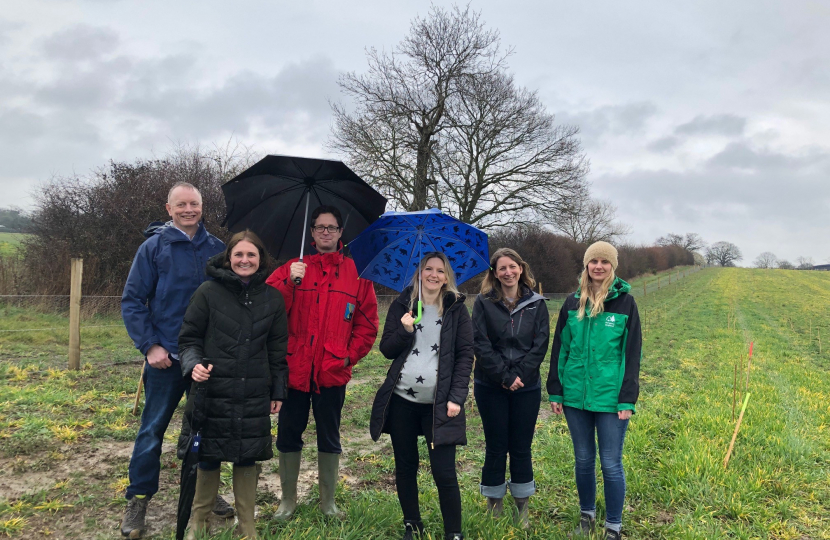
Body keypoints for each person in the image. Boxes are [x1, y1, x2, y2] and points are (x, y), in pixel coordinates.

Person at [120, 182, 227, 539]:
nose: (188, 209)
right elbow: (133, 301)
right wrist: (150, 346)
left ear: (202, 206)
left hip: (206, 361)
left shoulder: (218, 250)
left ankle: (206, 493)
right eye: (181, 204)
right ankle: (138, 499)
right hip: (166, 358)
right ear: (169, 208)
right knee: (152, 431)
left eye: (193, 204)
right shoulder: (153, 248)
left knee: (208, 430)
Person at [265, 205, 379, 520]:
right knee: (288, 433)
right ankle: (287, 502)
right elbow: (269, 312)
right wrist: (289, 282)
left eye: (331, 227)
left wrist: (347, 356)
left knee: (330, 435)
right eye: (319, 227)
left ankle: (328, 503)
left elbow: (367, 326)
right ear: (312, 233)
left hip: (332, 372)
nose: (325, 232)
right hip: (295, 371)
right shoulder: (293, 267)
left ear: (341, 233)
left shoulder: (358, 274)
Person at [177, 230, 288, 540]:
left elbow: (278, 351)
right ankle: (199, 522)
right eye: (238, 254)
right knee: (208, 455)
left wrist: (278, 390)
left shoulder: (273, 299)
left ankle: (247, 526)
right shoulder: (207, 293)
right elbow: (188, 339)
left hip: (253, 391)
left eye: (251, 255)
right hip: (212, 390)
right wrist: (193, 364)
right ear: (228, 258)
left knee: (246, 456)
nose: (244, 260)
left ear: (260, 260)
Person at [369, 252, 474, 540]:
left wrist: (456, 397)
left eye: (440, 271)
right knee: (405, 466)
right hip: (402, 400)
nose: (434, 274)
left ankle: (454, 532)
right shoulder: (403, 305)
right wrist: (404, 330)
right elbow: (387, 350)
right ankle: (411, 525)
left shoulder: (456, 309)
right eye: (429, 268)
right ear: (419, 272)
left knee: (444, 472)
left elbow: (466, 356)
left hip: (439, 405)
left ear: (446, 277)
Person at [547, 241, 642, 540]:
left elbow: (632, 354)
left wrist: (628, 398)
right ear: (586, 265)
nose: (598, 266)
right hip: (575, 396)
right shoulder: (571, 302)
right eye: (593, 261)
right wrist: (556, 390)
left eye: (605, 261)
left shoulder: (626, 304)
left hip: (611, 400)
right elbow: (559, 349)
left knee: (611, 463)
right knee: (584, 459)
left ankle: (613, 524)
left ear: (613, 266)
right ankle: (587, 514)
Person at [471, 248, 549, 528]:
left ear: (521, 268)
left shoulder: (537, 303)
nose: (508, 272)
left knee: (520, 447)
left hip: (526, 387)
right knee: (495, 446)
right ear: (494, 273)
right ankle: (495, 505)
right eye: (501, 268)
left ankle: (522, 507)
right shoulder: (483, 303)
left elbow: (540, 344)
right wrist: (504, 376)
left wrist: (520, 376)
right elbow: (479, 343)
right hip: (490, 385)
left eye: (512, 266)